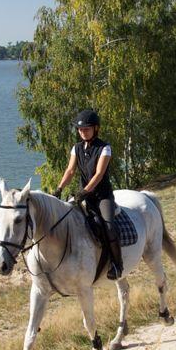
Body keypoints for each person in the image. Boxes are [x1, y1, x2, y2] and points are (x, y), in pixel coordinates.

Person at [56, 109, 122, 280]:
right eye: (80, 130)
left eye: (86, 129)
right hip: (82, 195)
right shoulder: (76, 148)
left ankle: (117, 264)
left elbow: (99, 174)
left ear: (96, 129)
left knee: (108, 226)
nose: (82, 132)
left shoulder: (104, 148)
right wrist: (59, 188)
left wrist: (85, 191)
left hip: (102, 196)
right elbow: (70, 171)